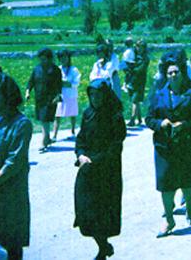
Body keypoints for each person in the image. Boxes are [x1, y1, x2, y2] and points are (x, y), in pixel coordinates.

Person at [146, 55, 191, 237]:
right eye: (169, 72)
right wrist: (160, 123)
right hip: (164, 147)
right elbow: (149, 119)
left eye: (176, 72)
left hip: (185, 144)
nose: (173, 75)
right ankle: (169, 219)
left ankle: (189, 205)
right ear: (166, 75)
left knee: (186, 179)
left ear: (182, 73)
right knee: (165, 182)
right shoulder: (158, 94)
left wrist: (184, 124)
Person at [0, 72, 32, 260]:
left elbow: (14, 162)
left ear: (8, 95)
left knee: (12, 244)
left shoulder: (21, 124)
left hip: (11, 194)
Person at [74, 79, 126, 260]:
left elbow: (116, 146)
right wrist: (80, 155)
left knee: (101, 213)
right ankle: (104, 246)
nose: (95, 98)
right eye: (92, 95)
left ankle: (102, 249)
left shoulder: (115, 116)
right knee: (85, 210)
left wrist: (95, 161)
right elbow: (81, 139)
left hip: (107, 172)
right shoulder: (88, 113)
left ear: (106, 95)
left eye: (98, 95)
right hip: (87, 169)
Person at [25, 47, 62, 152]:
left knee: (45, 118)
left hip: (51, 99)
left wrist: (58, 96)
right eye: (40, 59)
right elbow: (31, 82)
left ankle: (43, 142)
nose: (42, 61)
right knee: (43, 119)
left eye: (44, 59)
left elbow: (59, 85)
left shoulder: (55, 70)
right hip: (39, 98)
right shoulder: (37, 69)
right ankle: (47, 138)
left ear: (50, 58)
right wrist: (28, 92)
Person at [52, 49, 81, 140]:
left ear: (68, 58)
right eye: (61, 57)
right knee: (57, 115)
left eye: (65, 57)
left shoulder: (74, 70)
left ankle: (73, 132)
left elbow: (77, 83)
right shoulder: (57, 69)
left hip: (71, 94)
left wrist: (67, 84)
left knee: (72, 114)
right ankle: (54, 135)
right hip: (60, 95)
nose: (63, 59)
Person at [127, 40, 149, 127]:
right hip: (132, 80)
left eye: (141, 47)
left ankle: (132, 119)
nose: (139, 48)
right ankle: (139, 118)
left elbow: (141, 69)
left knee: (135, 100)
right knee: (136, 100)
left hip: (140, 81)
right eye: (137, 46)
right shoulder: (134, 55)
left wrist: (131, 69)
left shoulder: (145, 58)